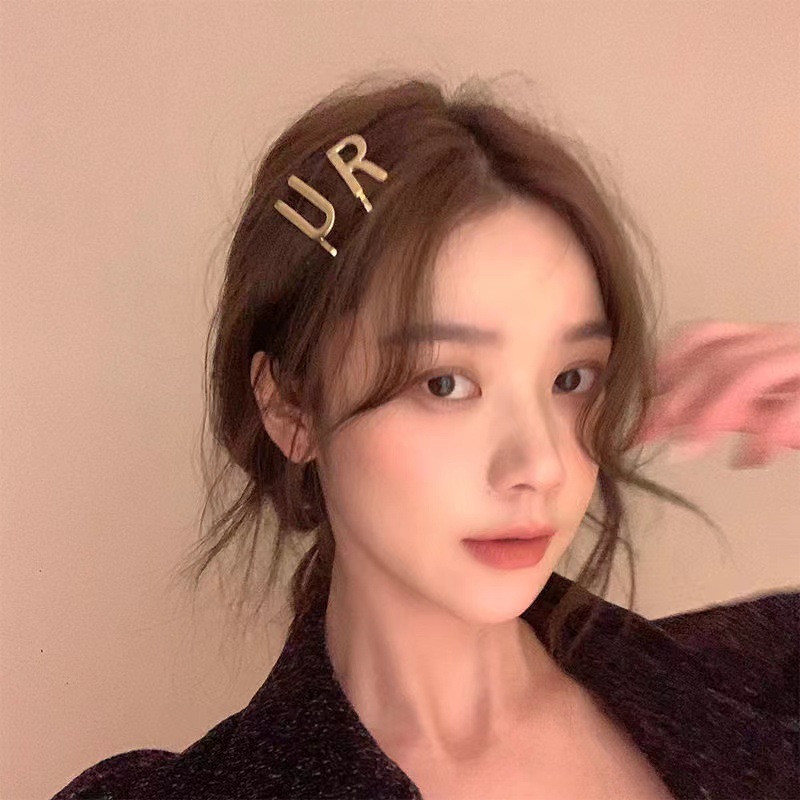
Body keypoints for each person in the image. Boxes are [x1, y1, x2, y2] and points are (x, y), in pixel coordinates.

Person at [51, 75, 798, 800]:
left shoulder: (764, 687)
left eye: (571, 378)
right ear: (290, 408)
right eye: (444, 383)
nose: (539, 464)